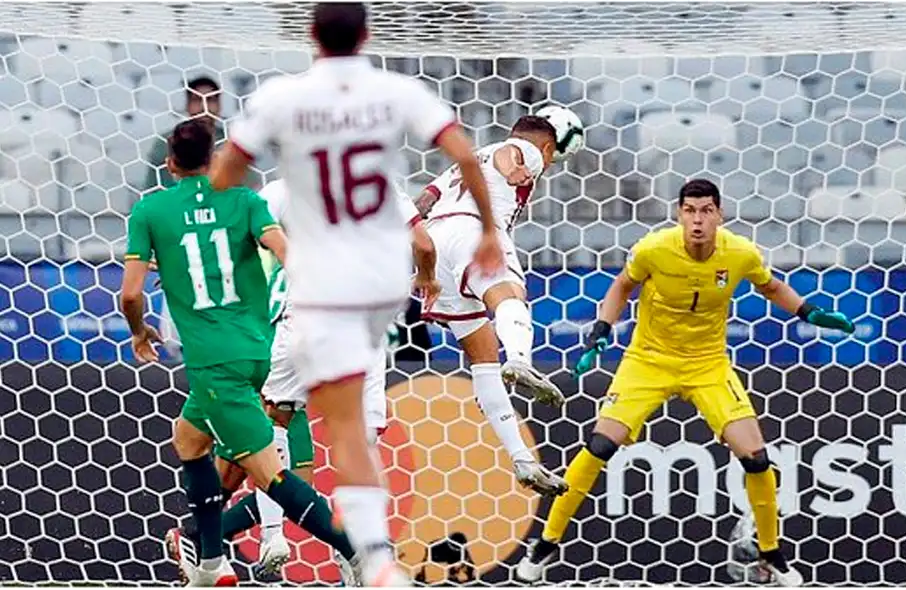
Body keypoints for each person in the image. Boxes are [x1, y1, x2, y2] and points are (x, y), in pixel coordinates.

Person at [207, 3, 503, 585]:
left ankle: (274, 543)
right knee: (355, 431)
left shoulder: (283, 99)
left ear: (311, 37)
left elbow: (225, 174)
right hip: (378, 289)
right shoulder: (396, 90)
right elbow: (467, 156)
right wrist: (489, 232)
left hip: (318, 287)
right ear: (367, 35)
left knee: (296, 424)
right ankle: (372, 557)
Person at [516, 178, 856, 586]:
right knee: (599, 445)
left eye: (706, 211)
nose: (697, 220)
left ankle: (771, 553)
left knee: (757, 458)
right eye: (690, 211)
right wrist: (600, 333)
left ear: (719, 215)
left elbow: (771, 286)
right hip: (648, 362)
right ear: (679, 215)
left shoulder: (740, 253)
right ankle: (545, 545)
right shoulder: (653, 250)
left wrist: (809, 312)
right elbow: (621, 287)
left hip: (708, 365)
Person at [166, 177, 439, 587]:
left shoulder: (285, 188)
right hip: (358, 331)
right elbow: (424, 245)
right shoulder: (378, 185)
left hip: (297, 324)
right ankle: (328, 549)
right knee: (354, 447)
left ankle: (235, 539)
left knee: (271, 441)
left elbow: (222, 237)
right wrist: (427, 278)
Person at [120, 120, 357, 586]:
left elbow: (130, 295)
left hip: (214, 362)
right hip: (261, 350)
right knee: (189, 440)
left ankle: (357, 553)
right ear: (214, 159)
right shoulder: (246, 200)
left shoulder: (151, 210)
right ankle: (210, 562)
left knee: (272, 476)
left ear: (169, 164)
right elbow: (287, 252)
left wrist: (138, 330)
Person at [413, 106, 583, 496]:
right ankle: (521, 361)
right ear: (544, 143)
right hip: (473, 231)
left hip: (433, 243)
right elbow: (513, 154)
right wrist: (513, 170)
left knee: (482, 352)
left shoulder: (467, 162)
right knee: (510, 295)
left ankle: (523, 459)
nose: (550, 162)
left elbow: (422, 201)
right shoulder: (525, 150)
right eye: (552, 154)